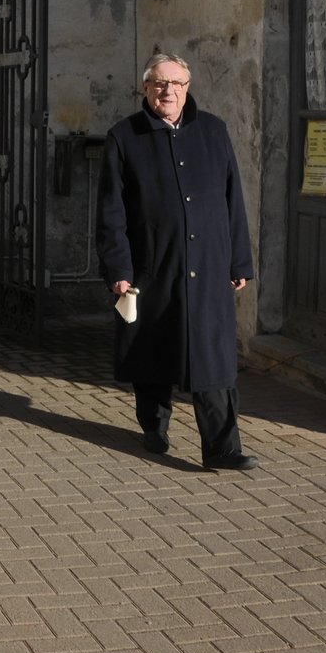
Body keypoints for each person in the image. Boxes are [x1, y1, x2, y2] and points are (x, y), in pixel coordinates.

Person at [95, 52, 259, 471]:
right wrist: (119, 269)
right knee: (152, 348)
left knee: (214, 357)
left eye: (177, 84)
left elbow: (232, 201)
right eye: (159, 84)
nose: (168, 91)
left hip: (208, 264)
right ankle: (154, 424)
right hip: (153, 264)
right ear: (145, 89)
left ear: (188, 87)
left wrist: (239, 260)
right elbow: (111, 211)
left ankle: (223, 448)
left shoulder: (214, 132)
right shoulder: (123, 137)